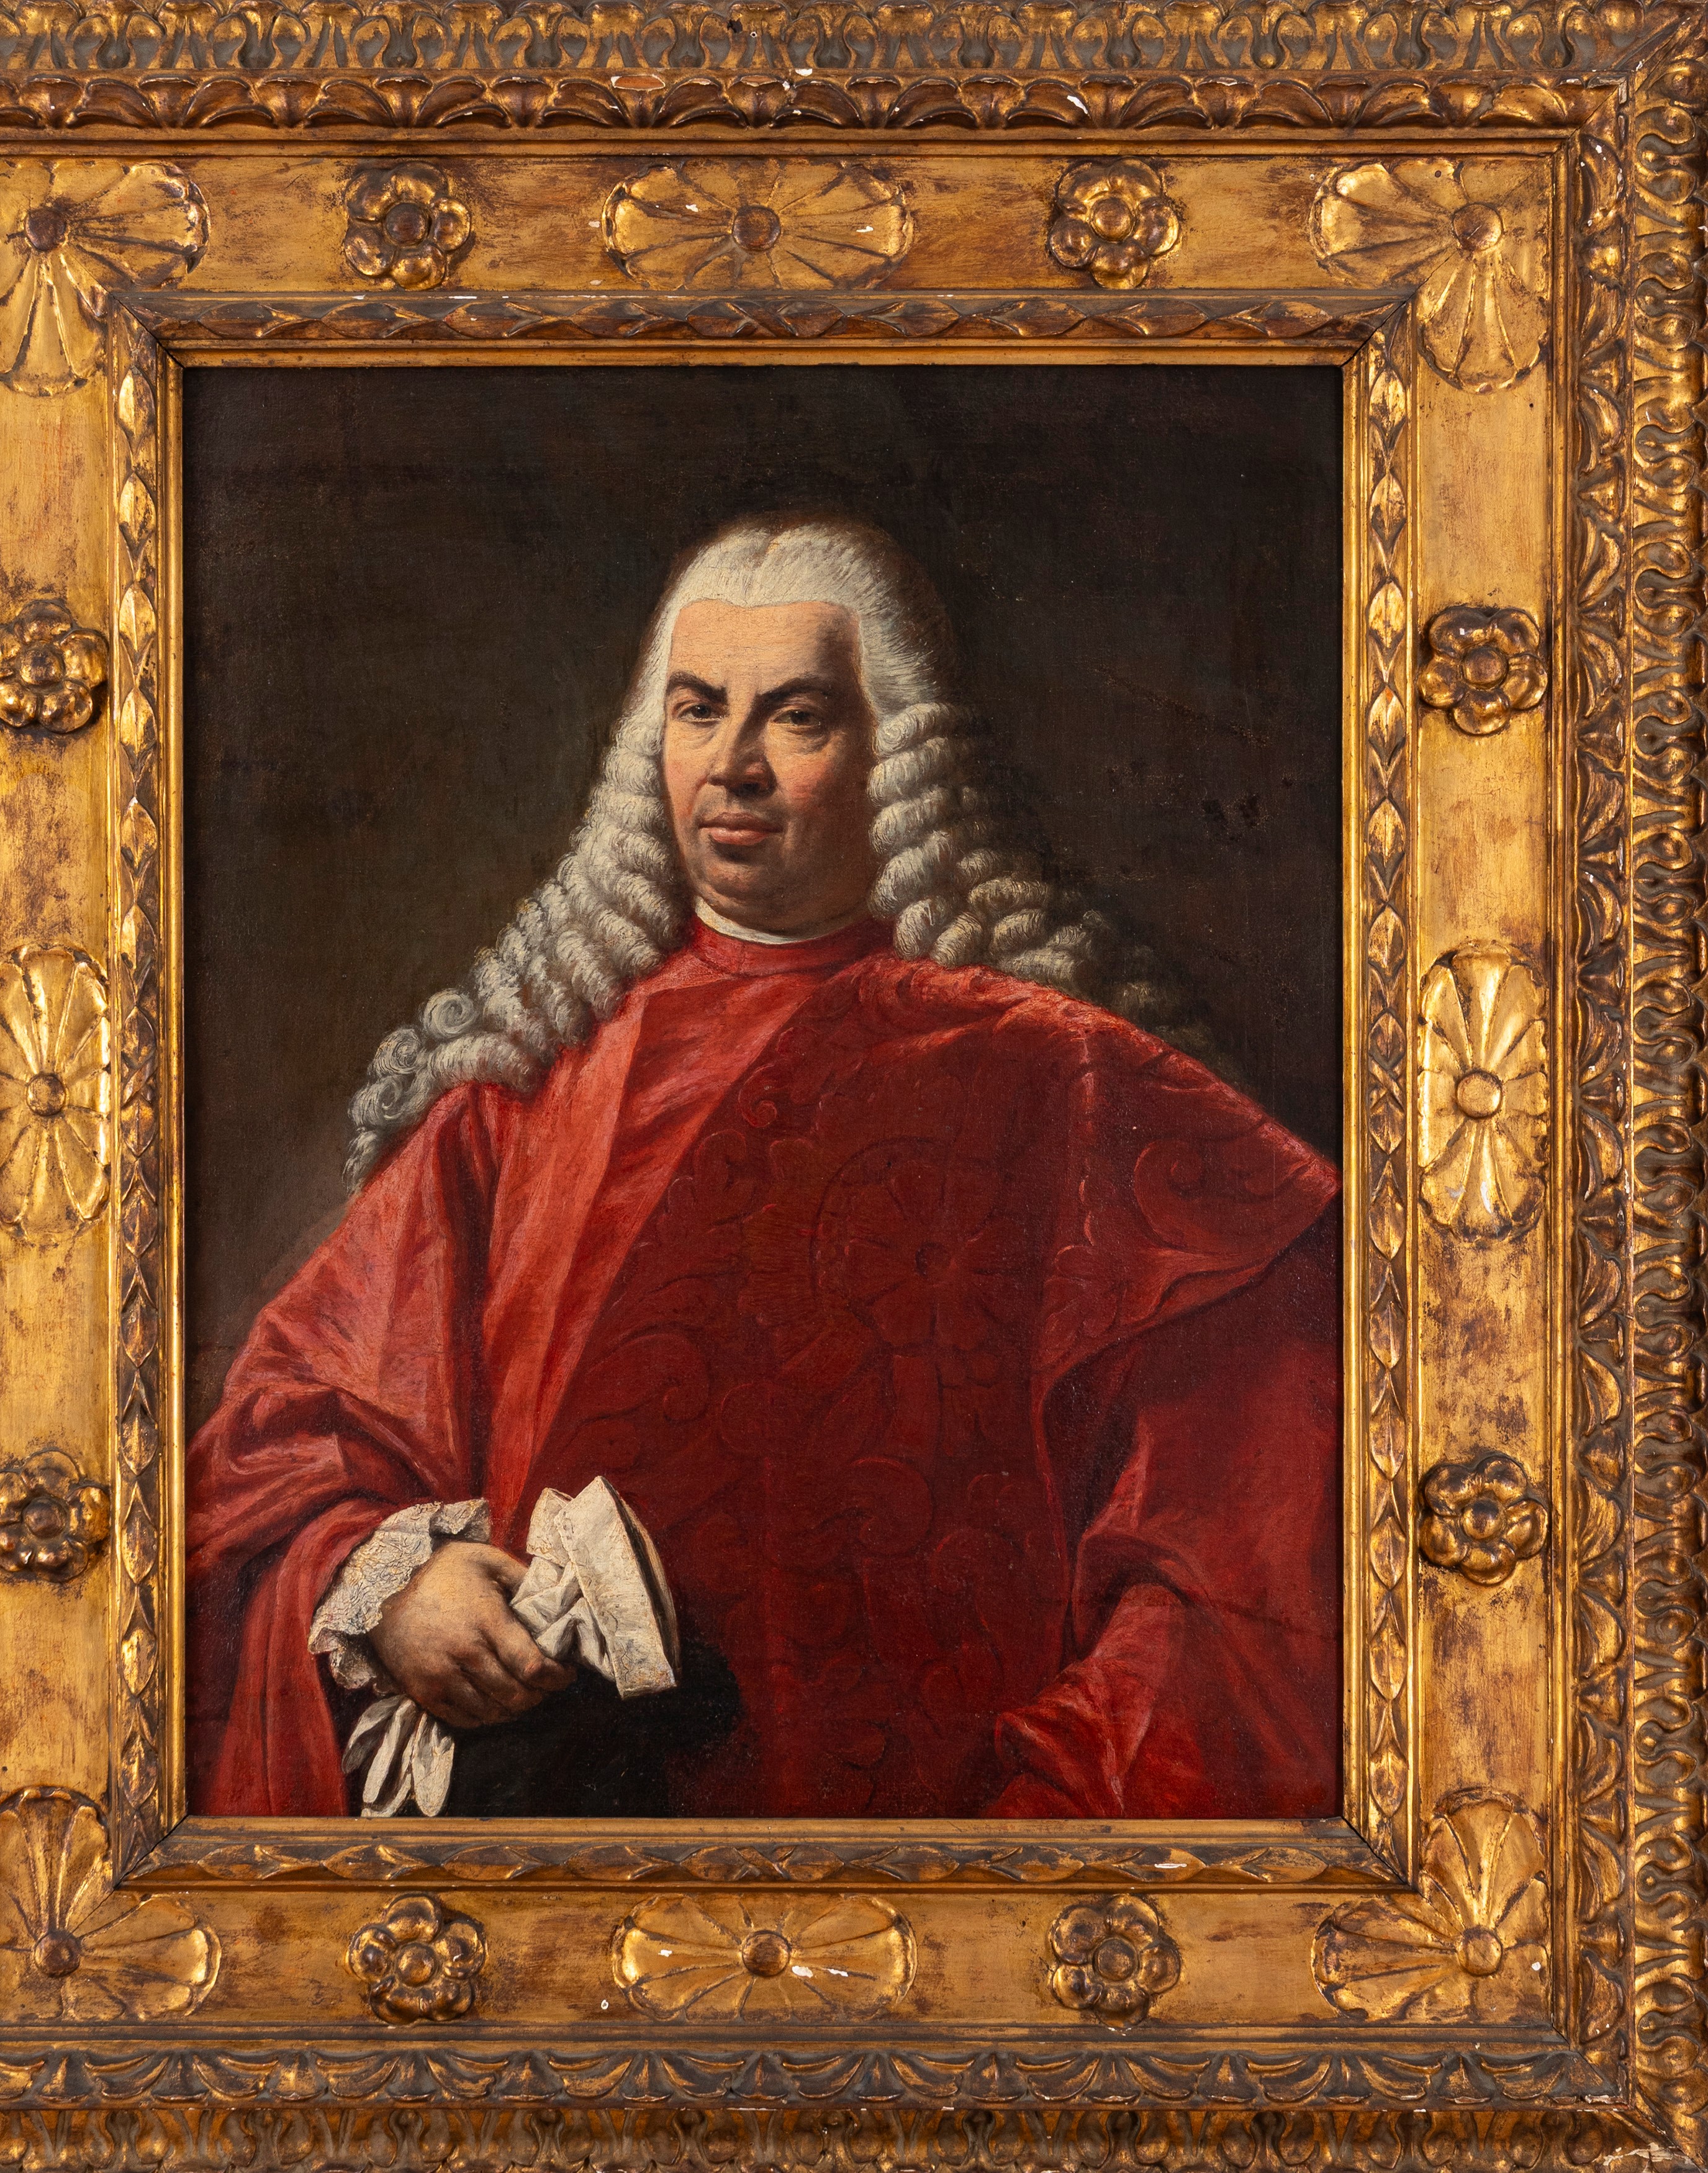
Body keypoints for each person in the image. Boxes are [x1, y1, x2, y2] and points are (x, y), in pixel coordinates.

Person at [186, 515, 1340, 1822]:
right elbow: (278, 1457)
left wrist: (1023, 1858)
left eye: (796, 716)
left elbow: (1234, 1558)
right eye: (697, 710)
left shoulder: (1068, 1081)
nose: (733, 765)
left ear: (900, 758)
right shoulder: (524, 1102)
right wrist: (392, 1585)